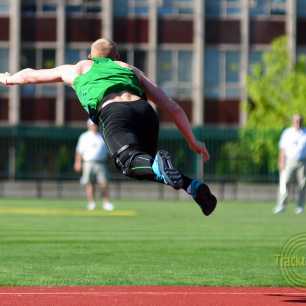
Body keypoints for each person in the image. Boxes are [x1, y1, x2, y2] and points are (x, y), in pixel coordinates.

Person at [0, 38, 217, 216]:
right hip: (145, 112)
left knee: (128, 163)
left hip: (114, 112)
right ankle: (194, 187)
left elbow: (31, 75)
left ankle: (168, 171)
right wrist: (192, 141)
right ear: (117, 58)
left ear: (90, 56)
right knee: (150, 167)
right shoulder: (129, 69)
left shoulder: (78, 68)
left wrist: (7, 79)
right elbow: (173, 107)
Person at [74, 118, 114, 211]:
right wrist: (78, 162)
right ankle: (91, 203)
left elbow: (108, 152)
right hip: (88, 163)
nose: (93, 126)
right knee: (89, 183)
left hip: (101, 163)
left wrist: (111, 162)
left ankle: (106, 203)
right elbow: (79, 151)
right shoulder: (84, 137)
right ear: (88, 125)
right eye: (92, 125)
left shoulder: (102, 136)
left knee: (103, 183)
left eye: (95, 125)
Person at [274, 114, 306, 214]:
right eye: (296, 121)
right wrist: (281, 161)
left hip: (303, 162)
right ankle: (281, 205)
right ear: (292, 121)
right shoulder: (287, 133)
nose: (298, 123)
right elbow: (282, 148)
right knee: (285, 182)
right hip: (289, 161)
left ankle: (300, 206)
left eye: (300, 121)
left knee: (303, 184)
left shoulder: (305, 132)